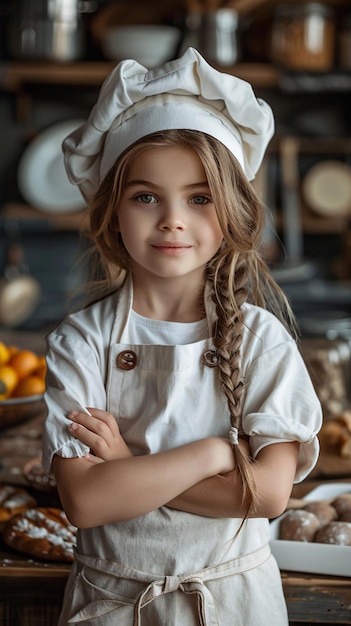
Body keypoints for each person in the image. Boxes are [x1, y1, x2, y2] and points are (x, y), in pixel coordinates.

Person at [42, 47, 322, 625]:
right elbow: (87, 501)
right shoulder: (82, 341)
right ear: (111, 211)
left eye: (199, 199)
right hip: (115, 603)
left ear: (231, 210)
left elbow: (268, 496)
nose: (172, 219)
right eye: (146, 196)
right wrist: (217, 452)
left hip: (231, 601)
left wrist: (127, 465)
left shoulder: (262, 341)